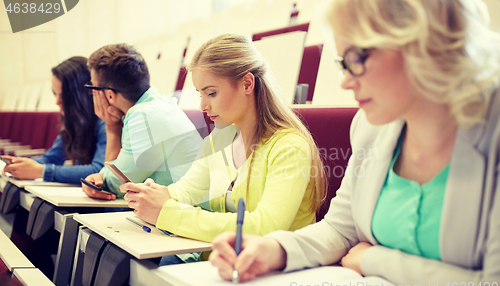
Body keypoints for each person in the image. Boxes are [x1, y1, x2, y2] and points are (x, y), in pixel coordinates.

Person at [208, 0, 500, 286]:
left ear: (419, 43)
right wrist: (273, 250)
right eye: (342, 65)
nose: (346, 82)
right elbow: (340, 229)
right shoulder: (371, 126)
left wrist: (375, 259)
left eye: (356, 59)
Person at [119, 34, 327, 264]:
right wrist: (157, 195)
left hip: (274, 268)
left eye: (211, 93)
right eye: (200, 94)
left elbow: (265, 227)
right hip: (227, 257)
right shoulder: (221, 137)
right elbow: (189, 189)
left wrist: (167, 213)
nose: (203, 105)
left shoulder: (289, 146)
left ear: (247, 84)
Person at [81, 43, 203, 200]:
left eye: (94, 88)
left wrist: (112, 128)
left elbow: (115, 186)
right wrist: (102, 176)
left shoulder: (144, 117)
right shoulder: (153, 106)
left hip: (187, 214)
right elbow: (116, 175)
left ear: (109, 95)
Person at [2, 56, 106, 184]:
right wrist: (19, 164)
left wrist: (42, 171)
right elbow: (52, 158)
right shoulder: (73, 120)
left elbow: (99, 171)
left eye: (64, 96)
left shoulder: (105, 122)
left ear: (81, 95)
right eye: (55, 94)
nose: (57, 102)